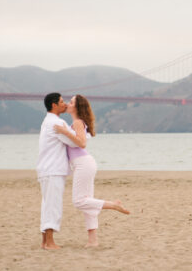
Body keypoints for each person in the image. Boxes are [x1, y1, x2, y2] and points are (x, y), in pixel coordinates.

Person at [54, 94, 130, 248]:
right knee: (88, 203)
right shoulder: (77, 122)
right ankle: (93, 241)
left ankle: (114, 205)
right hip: (84, 164)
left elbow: (82, 143)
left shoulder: (77, 123)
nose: (68, 103)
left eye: (71, 102)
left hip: (83, 164)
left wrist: (64, 131)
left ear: (77, 106)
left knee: (79, 201)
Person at [36, 92, 79, 250]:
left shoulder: (47, 121)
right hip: (53, 169)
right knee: (53, 206)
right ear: (54, 105)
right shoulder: (57, 122)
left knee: (47, 205)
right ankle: (49, 242)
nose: (65, 104)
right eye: (61, 102)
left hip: (46, 169)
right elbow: (74, 142)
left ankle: (44, 241)